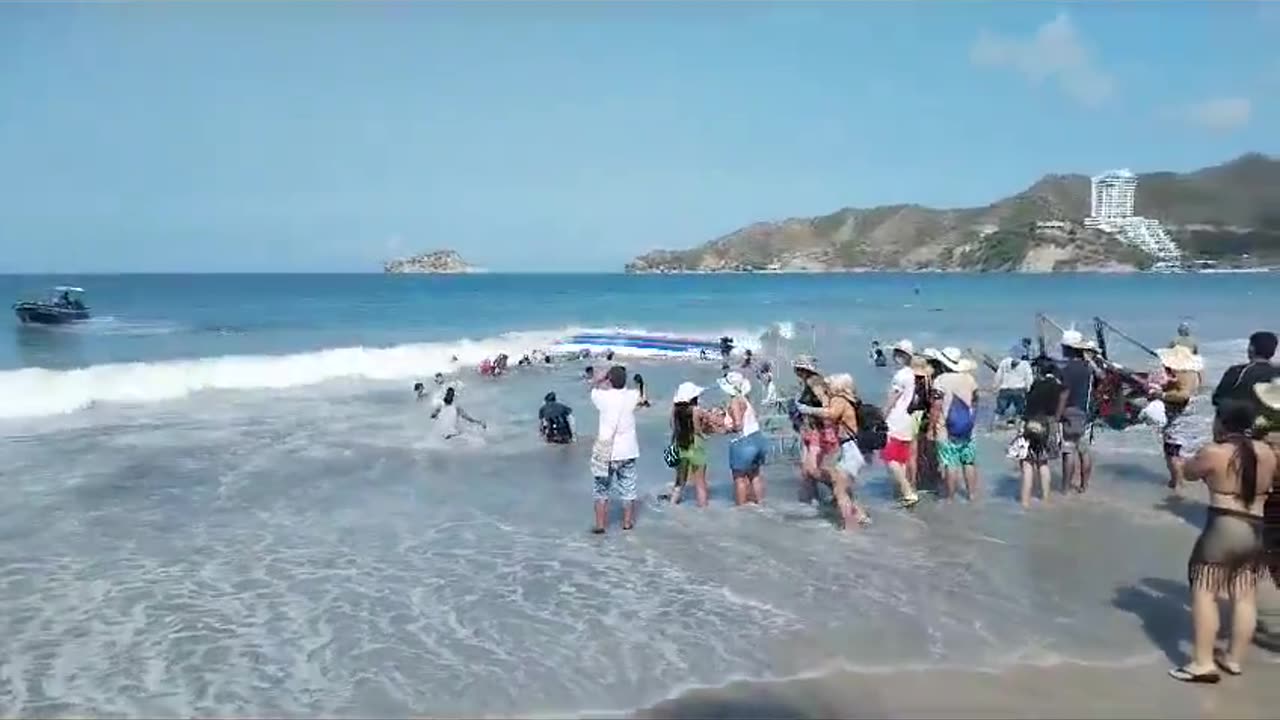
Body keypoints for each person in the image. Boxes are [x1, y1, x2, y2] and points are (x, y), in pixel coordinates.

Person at [1169, 401, 1276, 684]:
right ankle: (1233, 659)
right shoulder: (1267, 453)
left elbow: (1190, 473)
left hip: (1224, 525)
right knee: (1245, 595)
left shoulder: (1214, 452)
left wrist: (1185, 461)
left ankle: (1203, 663)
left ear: (1222, 423)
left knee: (1204, 591)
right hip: (1256, 528)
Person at [795, 373, 871, 528]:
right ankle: (860, 516)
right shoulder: (848, 399)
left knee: (839, 490)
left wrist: (807, 409)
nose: (828, 387)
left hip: (850, 449)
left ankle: (850, 526)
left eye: (830, 384)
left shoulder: (839, 400)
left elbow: (831, 414)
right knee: (840, 485)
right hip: (852, 448)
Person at [590, 366, 647, 533]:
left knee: (601, 489)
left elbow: (592, 388)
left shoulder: (602, 397)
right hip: (628, 450)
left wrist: (599, 379)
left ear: (609, 380)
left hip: (606, 451)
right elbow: (642, 396)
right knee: (628, 488)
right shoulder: (631, 396)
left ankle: (601, 526)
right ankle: (627, 523)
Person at [1154, 344, 1205, 494]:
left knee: (1172, 450)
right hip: (1191, 413)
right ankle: (1179, 480)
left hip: (1178, 415)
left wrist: (1162, 395)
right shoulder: (1194, 373)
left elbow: (1183, 395)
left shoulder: (1182, 374)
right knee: (1182, 448)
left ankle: (1178, 483)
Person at [1058, 330, 1104, 494]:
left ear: (1069, 349)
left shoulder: (1066, 369)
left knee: (1068, 451)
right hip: (1087, 413)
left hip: (1070, 412)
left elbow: (1064, 394)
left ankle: (1065, 488)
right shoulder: (1089, 369)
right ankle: (1084, 486)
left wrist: (1058, 414)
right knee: (1084, 451)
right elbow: (1100, 383)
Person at [934, 348, 981, 501]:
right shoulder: (969, 379)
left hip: (946, 429)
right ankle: (972, 495)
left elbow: (936, 405)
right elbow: (975, 401)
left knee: (951, 463)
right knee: (968, 462)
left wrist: (931, 428)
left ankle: (951, 498)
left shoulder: (940, 380)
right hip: (968, 427)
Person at [1018, 357, 1066, 507]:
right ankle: (1045, 499)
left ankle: (1025, 502)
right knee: (1043, 463)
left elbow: (1027, 407)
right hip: (1048, 424)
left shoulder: (1035, 384)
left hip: (1030, 423)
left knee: (1027, 463)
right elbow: (1059, 408)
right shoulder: (1058, 387)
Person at [882, 340, 922, 507]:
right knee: (901, 458)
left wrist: (881, 416)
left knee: (889, 456)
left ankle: (907, 491)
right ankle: (902, 493)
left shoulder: (900, 376)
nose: (896, 356)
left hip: (896, 419)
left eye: (899, 354)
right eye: (896, 353)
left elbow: (893, 399)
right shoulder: (912, 374)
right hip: (907, 419)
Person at [792, 356, 837, 502]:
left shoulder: (814, 381)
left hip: (818, 430)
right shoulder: (808, 381)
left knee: (811, 469)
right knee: (806, 470)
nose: (796, 371)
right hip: (809, 429)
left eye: (798, 368)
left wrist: (808, 410)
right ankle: (812, 501)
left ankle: (838, 488)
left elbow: (826, 404)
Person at [720, 371, 768, 505]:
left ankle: (742, 510)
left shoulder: (735, 401)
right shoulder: (746, 399)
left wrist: (726, 430)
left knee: (739, 478)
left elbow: (739, 425)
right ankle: (760, 505)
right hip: (758, 438)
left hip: (744, 442)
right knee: (755, 475)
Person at [1211, 331, 1278, 421]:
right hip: (1272, 423)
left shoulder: (1237, 371)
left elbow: (1217, 399)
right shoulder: (1277, 371)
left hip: (1241, 425)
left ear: (1251, 349)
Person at [667, 382, 715, 507]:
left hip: (680, 446)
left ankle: (672, 505)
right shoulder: (697, 411)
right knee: (700, 483)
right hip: (695, 447)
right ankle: (703, 511)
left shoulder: (674, 411)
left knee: (679, 482)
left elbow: (672, 427)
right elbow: (699, 430)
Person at [992, 345, 1033, 426]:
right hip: (1019, 390)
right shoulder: (1025, 364)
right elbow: (1029, 378)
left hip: (1005, 389)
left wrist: (995, 387)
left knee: (1000, 409)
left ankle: (994, 424)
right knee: (1019, 409)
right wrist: (1028, 388)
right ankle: (1017, 425)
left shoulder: (1004, 362)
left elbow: (998, 376)